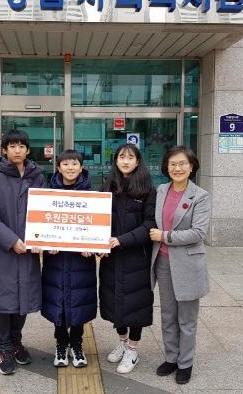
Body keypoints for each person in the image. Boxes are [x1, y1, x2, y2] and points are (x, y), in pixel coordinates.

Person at [0, 129, 45, 375]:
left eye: (21, 146)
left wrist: (44, 238)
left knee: (23, 299)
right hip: (2, 250)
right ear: (5, 149)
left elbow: (46, 212)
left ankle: (16, 342)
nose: (17, 150)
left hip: (29, 250)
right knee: (3, 301)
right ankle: (4, 348)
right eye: (12, 146)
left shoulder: (37, 176)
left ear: (27, 150)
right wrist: (12, 240)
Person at [149, 145, 210, 385]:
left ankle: (185, 363)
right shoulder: (161, 190)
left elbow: (198, 233)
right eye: (173, 164)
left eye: (182, 163)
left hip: (187, 264)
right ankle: (171, 358)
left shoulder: (200, 196)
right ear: (166, 167)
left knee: (186, 318)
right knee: (168, 315)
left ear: (191, 166)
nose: (177, 168)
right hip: (163, 262)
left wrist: (165, 236)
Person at [99, 143, 156, 374]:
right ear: (116, 160)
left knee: (136, 306)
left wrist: (122, 240)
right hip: (111, 258)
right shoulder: (108, 187)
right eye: (121, 157)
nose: (125, 161)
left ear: (138, 161)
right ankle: (122, 343)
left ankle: (132, 350)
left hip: (137, 258)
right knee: (114, 302)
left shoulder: (148, 190)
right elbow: (97, 220)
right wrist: (96, 244)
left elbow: (150, 224)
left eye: (130, 157)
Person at [41, 150, 96, 369]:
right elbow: (42, 224)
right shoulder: (48, 194)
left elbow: (98, 225)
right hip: (56, 259)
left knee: (79, 302)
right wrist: (47, 243)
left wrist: (92, 246)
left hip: (81, 261)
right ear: (58, 167)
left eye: (74, 164)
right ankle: (61, 344)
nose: (70, 168)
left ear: (81, 167)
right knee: (59, 303)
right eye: (65, 164)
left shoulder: (92, 195)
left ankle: (77, 344)